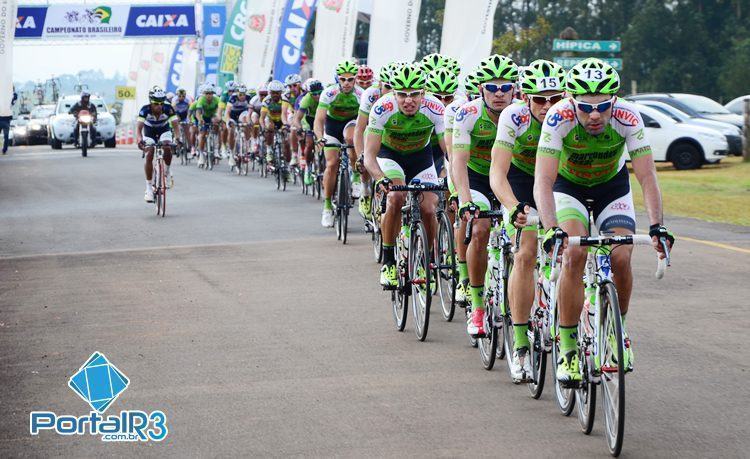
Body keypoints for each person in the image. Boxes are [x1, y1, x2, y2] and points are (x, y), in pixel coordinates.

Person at [533, 58, 674, 386]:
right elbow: (543, 179)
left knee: (621, 255)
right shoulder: (558, 117)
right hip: (569, 188)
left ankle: (617, 331)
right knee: (574, 254)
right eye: (585, 107)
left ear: (615, 101)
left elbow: (647, 175)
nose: (594, 115)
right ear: (571, 100)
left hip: (612, 187)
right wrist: (551, 227)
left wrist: (657, 225)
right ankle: (568, 346)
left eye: (602, 107)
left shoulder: (627, 116)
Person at [490, 59, 566, 382]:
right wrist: (512, 207)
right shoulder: (513, 117)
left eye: (554, 98)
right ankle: (520, 341)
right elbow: (497, 172)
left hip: (557, 181)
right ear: (524, 97)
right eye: (539, 99)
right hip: (520, 181)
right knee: (527, 250)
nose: (547, 106)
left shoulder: (569, 117)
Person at [451, 54, 518, 337]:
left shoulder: (522, 115)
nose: (499, 93)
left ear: (515, 90)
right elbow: (458, 161)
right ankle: (477, 306)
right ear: (481, 89)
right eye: (492, 87)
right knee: (479, 229)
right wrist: (464, 199)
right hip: (478, 176)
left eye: (506, 87)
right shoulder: (468, 114)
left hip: (511, 177)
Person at [362, 63, 446, 288]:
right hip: (391, 156)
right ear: (393, 94)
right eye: (402, 95)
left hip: (421, 158)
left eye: (414, 94)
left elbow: (450, 152)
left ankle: (425, 261)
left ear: (423, 93)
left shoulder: (436, 108)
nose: (408, 100)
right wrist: (380, 178)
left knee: (429, 207)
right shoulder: (382, 108)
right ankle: (388, 261)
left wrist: (453, 179)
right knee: (395, 198)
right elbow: (369, 156)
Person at [313, 59, 363, 227]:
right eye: (343, 79)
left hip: (351, 124)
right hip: (332, 127)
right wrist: (319, 137)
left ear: (355, 79)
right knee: (332, 163)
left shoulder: (360, 94)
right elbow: (319, 119)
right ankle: (327, 206)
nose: (347, 83)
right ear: (337, 79)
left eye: (350, 79)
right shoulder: (329, 93)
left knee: (350, 138)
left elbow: (365, 121)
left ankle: (356, 176)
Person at [353, 62, 397, 219]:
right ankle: (365, 190)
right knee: (366, 159)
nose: (391, 91)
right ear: (379, 84)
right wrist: (361, 156)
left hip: (392, 134)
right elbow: (359, 128)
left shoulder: (403, 99)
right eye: (387, 86)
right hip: (372, 129)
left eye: (395, 87)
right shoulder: (370, 94)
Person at [136, 87, 179, 202]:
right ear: (151, 102)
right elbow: (139, 129)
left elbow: (175, 125)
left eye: (161, 102)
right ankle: (149, 188)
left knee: (167, 147)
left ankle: (167, 170)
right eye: (156, 103)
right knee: (149, 153)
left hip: (164, 130)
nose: (159, 106)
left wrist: (178, 138)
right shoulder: (144, 110)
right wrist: (139, 139)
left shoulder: (168, 108)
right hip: (149, 131)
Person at [292, 79, 324, 185]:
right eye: (314, 94)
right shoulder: (306, 99)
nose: (317, 96)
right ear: (310, 94)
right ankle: (308, 167)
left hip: (324, 119)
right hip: (310, 121)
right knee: (309, 144)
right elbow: (297, 118)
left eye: (319, 93)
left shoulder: (326, 96)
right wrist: (299, 128)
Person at [260, 80, 287, 166]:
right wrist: (263, 127)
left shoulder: (284, 99)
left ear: (281, 93)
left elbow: (288, 113)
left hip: (282, 120)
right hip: (271, 120)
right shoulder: (266, 101)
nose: (275, 95)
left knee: (285, 134)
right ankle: (269, 150)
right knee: (270, 127)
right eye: (273, 93)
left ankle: (284, 153)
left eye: (277, 93)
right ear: (269, 92)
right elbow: (262, 118)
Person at [194, 83, 222, 166]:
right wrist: (200, 120)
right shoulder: (201, 100)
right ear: (204, 94)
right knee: (202, 135)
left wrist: (219, 118)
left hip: (213, 116)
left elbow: (220, 110)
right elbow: (198, 113)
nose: (209, 95)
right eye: (207, 93)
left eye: (211, 93)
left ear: (213, 94)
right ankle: (201, 154)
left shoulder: (217, 99)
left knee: (217, 125)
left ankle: (216, 150)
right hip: (204, 117)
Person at [281, 74, 303, 165]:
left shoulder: (305, 92)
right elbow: (284, 112)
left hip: (303, 113)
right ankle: (294, 154)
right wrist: (285, 123)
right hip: (293, 113)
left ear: (300, 84)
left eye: (295, 85)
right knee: (293, 129)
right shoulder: (286, 95)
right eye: (290, 86)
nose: (292, 88)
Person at [0, 88, 16, 154]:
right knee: (6, 136)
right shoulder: (10, 98)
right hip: (6, 120)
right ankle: (4, 149)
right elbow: (15, 98)